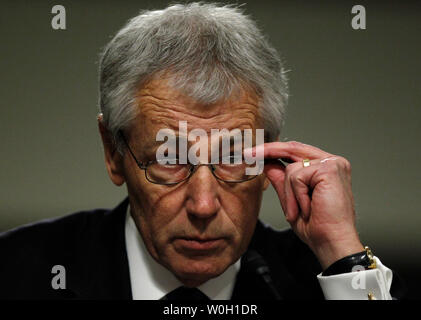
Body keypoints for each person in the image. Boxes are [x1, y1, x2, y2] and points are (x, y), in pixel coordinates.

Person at [0, 2, 405, 300]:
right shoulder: (19, 273)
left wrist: (341, 251)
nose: (204, 205)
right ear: (113, 150)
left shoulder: (326, 282)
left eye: (233, 157)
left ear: (269, 160)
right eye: (171, 160)